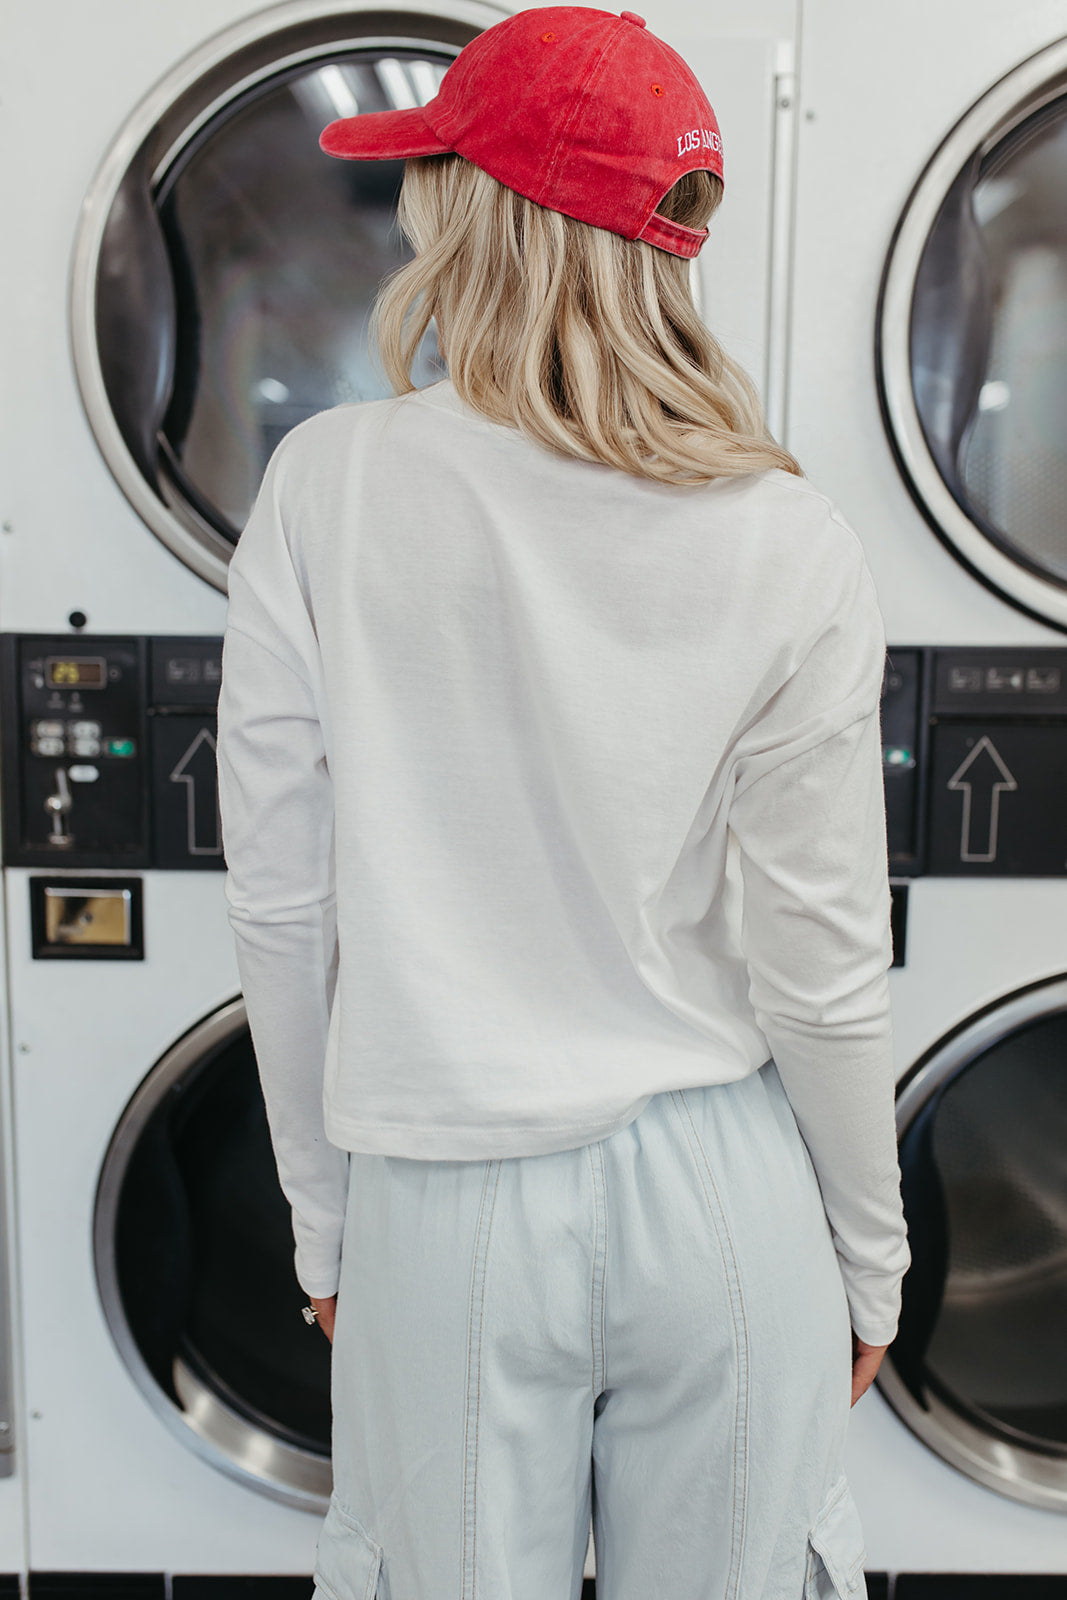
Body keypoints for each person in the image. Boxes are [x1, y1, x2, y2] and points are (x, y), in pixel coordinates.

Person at [215, 7, 911, 1598]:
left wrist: (325, 1229)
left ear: (472, 213)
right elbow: (823, 963)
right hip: (726, 1191)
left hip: (446, 1199)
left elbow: (282, 907)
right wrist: (868, 1260)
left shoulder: (327, 490)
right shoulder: (786, 534)